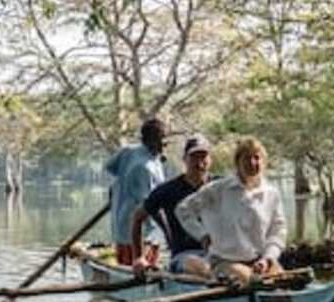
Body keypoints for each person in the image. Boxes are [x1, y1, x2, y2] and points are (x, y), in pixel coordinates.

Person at [175, 137, 286, 283]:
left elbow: (278, 231)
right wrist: (202, 235)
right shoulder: (219, 189)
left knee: (283, 279)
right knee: (249, 280)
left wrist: (268, 259)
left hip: (259, 261)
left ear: (264, 162)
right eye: (247, 158)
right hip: (224, 261)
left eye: (256, 158)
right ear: (237, 163)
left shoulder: (272, 194)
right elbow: (183, 210)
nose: (252, 163)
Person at [130, 134, 213, 276]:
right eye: (194, 157)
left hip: (219, 254)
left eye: (203, 157)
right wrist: (139, 258)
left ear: (210, 160)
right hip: (185, 256)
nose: (199, 163)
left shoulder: (220, 187)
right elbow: (137, 218)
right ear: (185, 160)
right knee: (203, 269)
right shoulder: (168, 190)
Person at [104, 117, 168, 266]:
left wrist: (118, 186)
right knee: (137, 267)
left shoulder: (129, 151)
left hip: (123, 223)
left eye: (165, 139)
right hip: (139, 232)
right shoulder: (143, 168)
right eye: (161, 139)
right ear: (149, 141)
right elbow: (152, 207)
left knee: (136, 264)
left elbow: (110, 167)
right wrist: (170, 233)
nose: (164, 143)